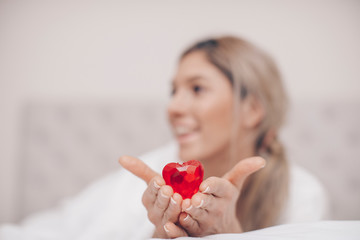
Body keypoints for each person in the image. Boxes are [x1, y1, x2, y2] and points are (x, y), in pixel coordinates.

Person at [0, 35, 328, 240]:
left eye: (196, 89)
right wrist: (156, 235)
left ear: (252, 110)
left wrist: (230, 235)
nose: (172, 107)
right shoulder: (149, 175)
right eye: (173, 91)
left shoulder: (302, 194)